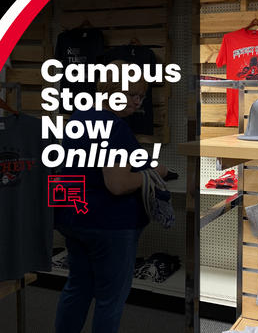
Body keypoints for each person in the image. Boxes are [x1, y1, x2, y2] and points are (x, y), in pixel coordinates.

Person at [54, 60, 167, 333]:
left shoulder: (79, 117)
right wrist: (154, 172)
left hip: (72, 214)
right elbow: (116, 184)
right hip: (109, 222)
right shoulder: (116, 127)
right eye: (131, 95)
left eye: (141, 96)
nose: (137, 102)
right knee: (110, 297)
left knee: (78, 286)